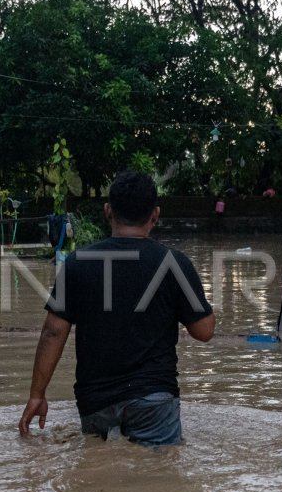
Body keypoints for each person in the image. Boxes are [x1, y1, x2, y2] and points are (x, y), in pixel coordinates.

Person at [19, 170, 216, 446]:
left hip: (95, 402)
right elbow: (204, 331)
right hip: (154, 401)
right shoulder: (175, 264)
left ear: (108, 211)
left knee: (97, 478)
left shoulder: (77, 263)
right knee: (160, 479)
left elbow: (53, 333)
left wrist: (37, 395)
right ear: (155, 215)